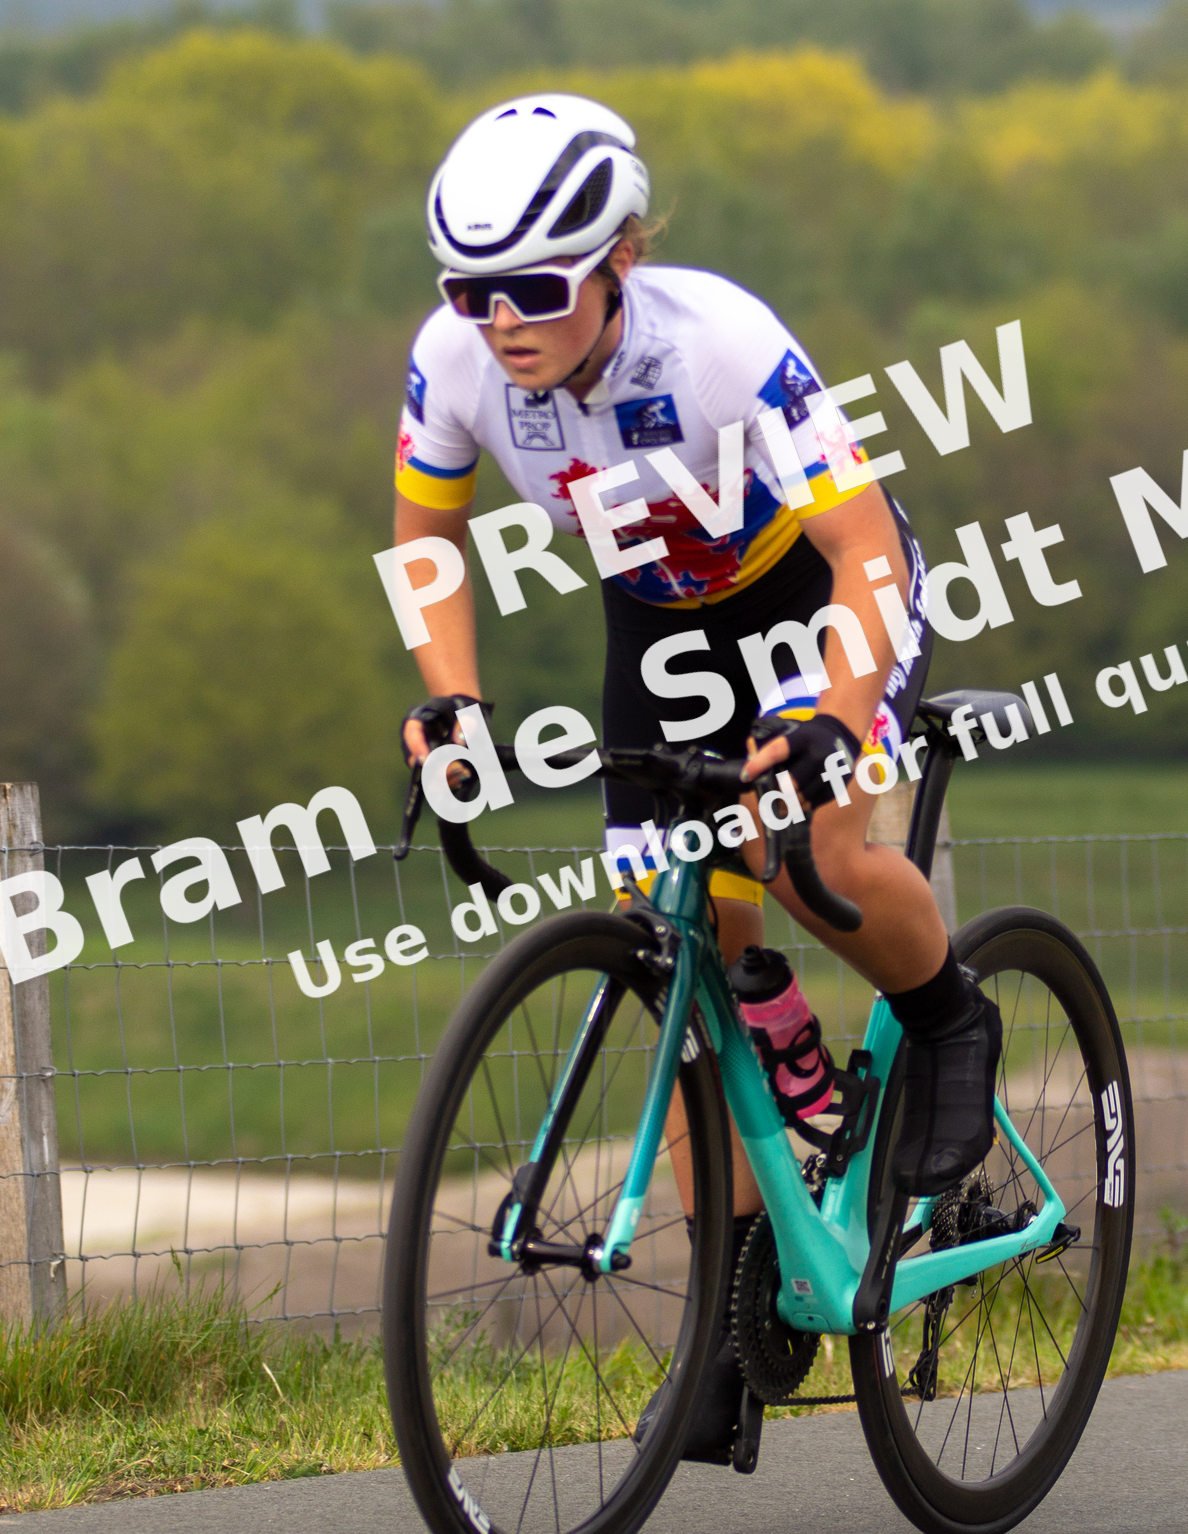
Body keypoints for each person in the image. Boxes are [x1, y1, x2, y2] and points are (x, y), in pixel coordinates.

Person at [391, 92, 1001, 1459]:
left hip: (814, 594)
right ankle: (734, 1299)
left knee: (813, 854)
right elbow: (427, 541)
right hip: (662, 627)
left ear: (618, 260)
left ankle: (950, 1018)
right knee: (680, 954)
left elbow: (864, 553)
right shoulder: (456, 363)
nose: (502, 322)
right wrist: (454, 700)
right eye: (472, 291)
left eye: (536, 288)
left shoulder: (720, 343)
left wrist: (835, 714)